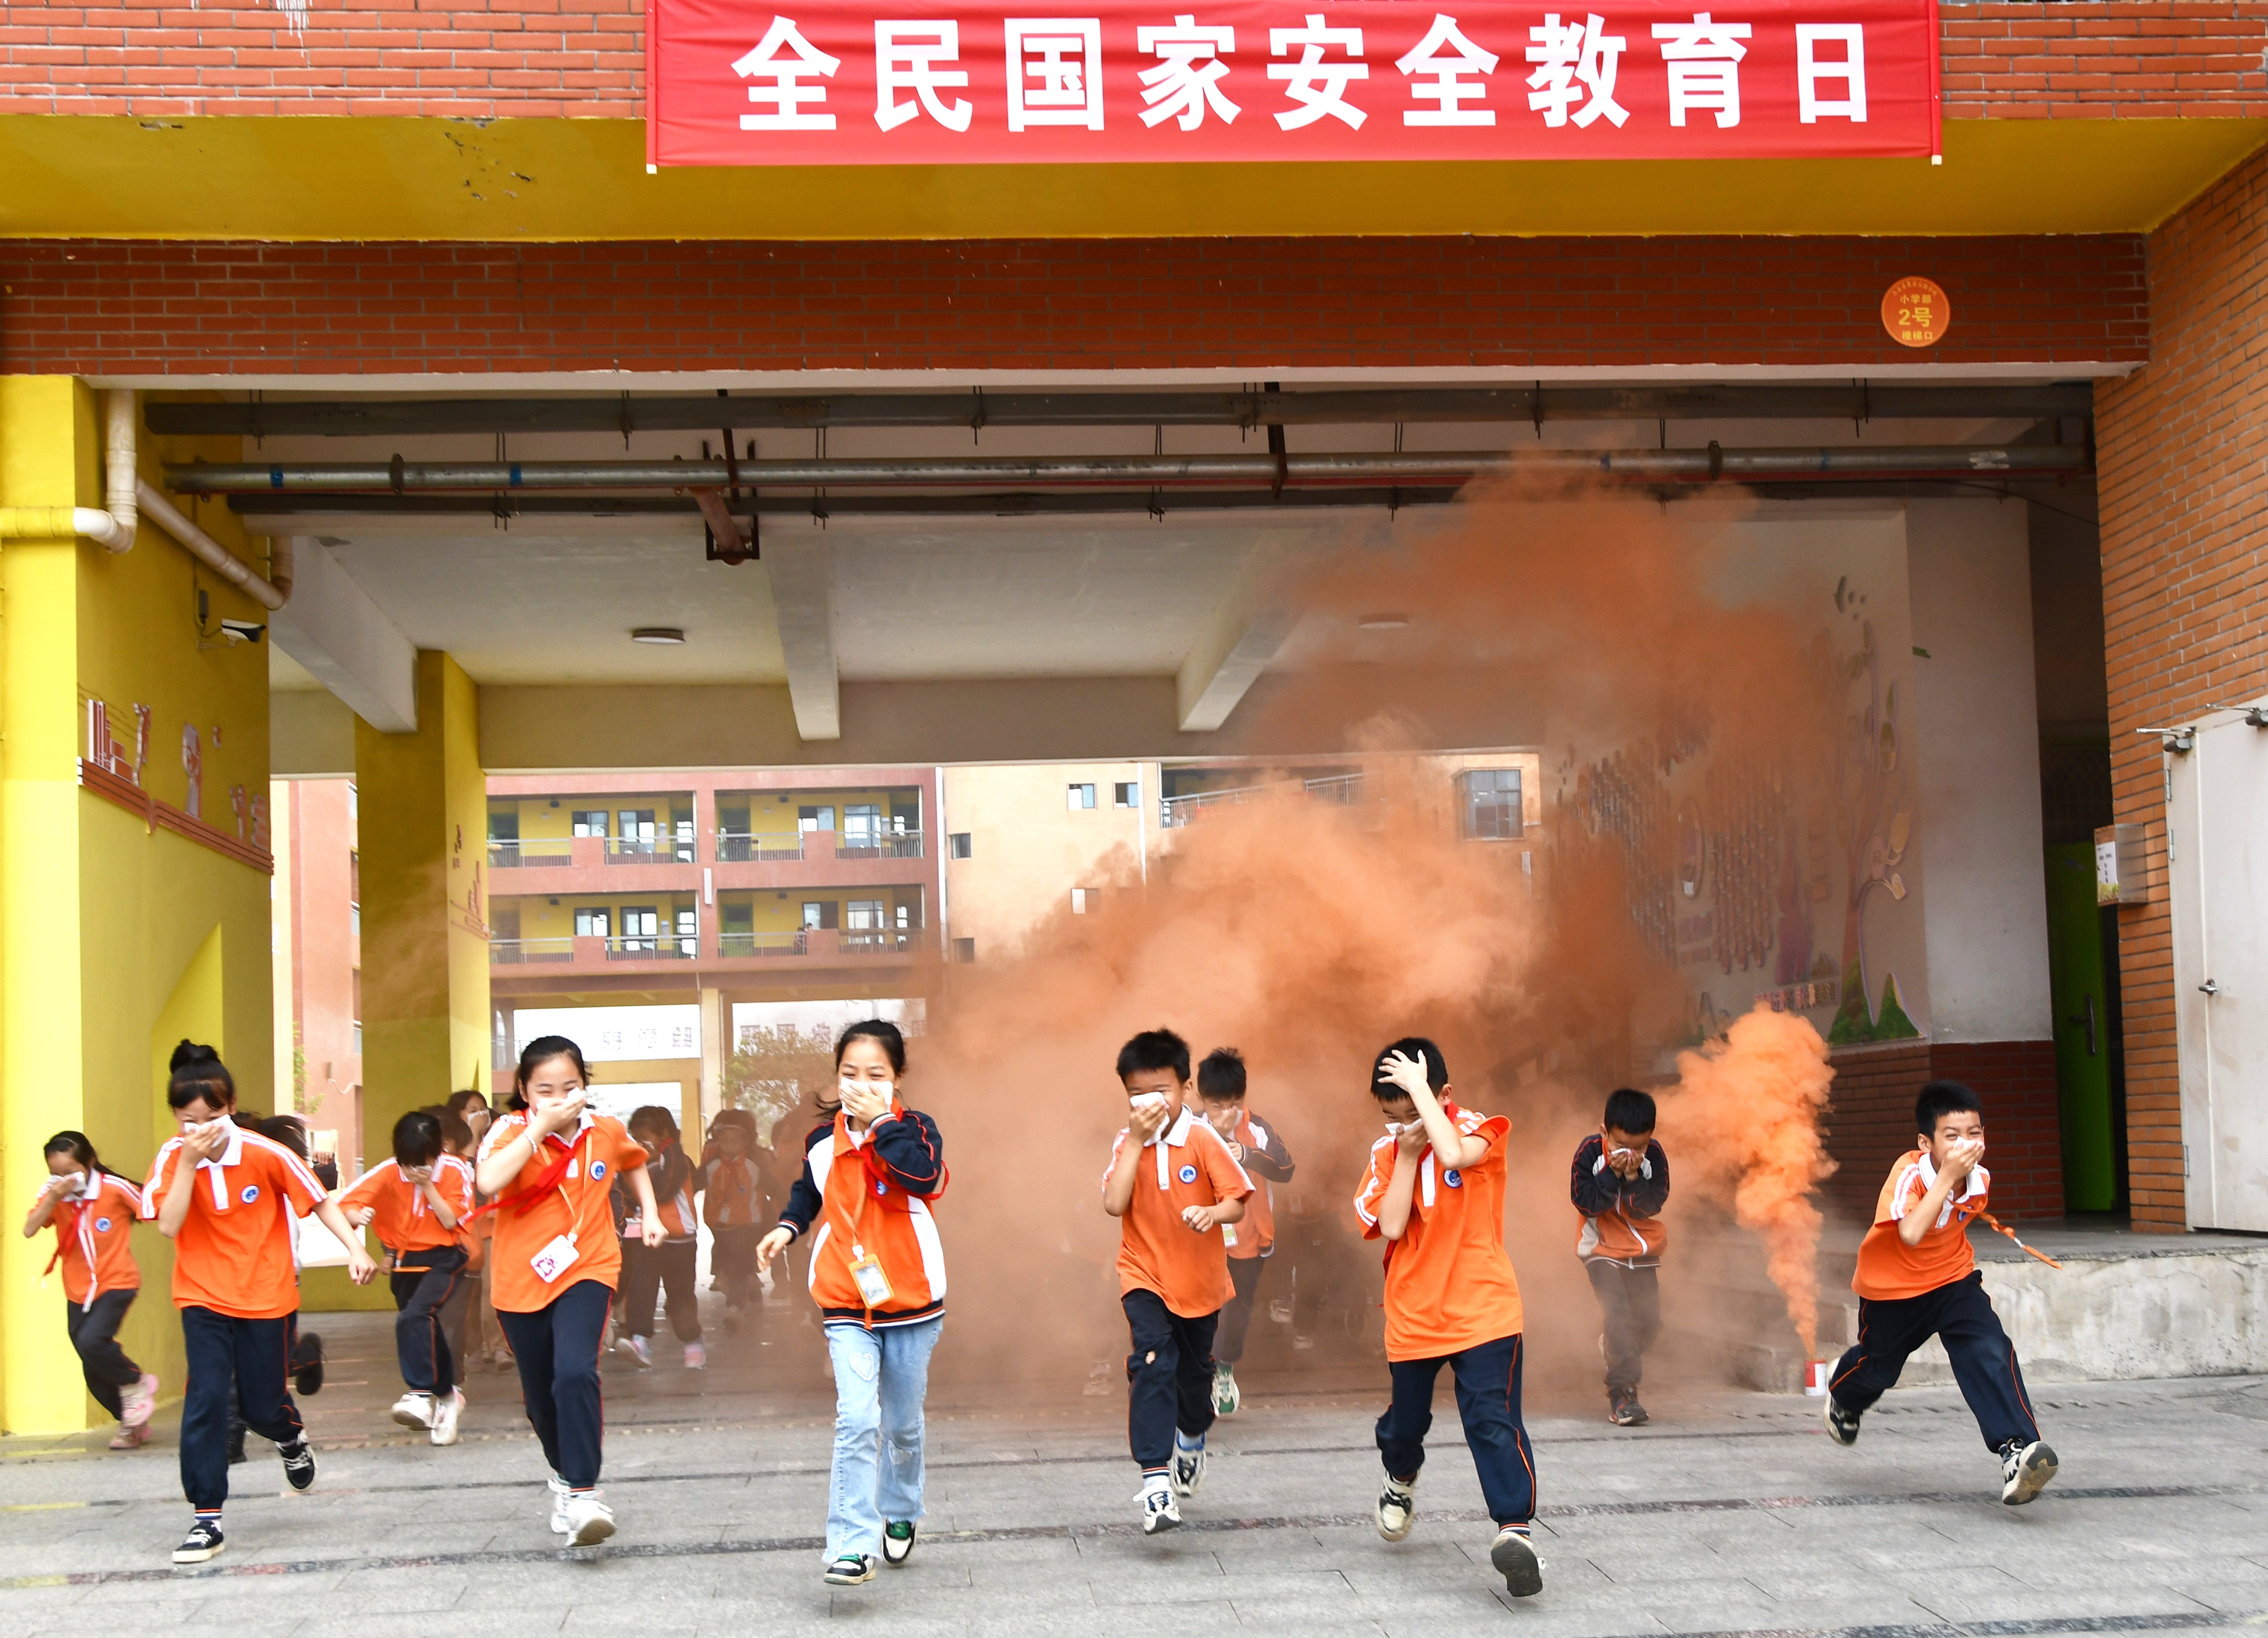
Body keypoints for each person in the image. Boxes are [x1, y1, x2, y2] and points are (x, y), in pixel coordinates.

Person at [141, 1043, 375, 1564]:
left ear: (232, 1106)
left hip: (266, 1297)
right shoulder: (170, 1157)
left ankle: (290, 1436)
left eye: (214, 1116)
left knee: (261, 1404)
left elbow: (318, 1201)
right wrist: (188, 1164)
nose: (203, 1128)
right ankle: (207, 1518)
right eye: (189, 1119)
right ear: (177, 1117)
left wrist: (356, 1248)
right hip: (202, 1296)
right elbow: (167, 1224)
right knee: (205, 1399)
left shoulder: (265, 1153)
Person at [755, 1020, 948, 1586]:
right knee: (858, 1420)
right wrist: (787, 1228)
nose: (860, 1084)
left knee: (904, 1425)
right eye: (849, 1074)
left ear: (898, 1078)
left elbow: (925, 1177)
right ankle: (851, 1545)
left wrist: (883, 1122)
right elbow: (807, 1192)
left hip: (912, 1299)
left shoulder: (915, 1132)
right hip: (844, 1297)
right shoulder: (822, 1139)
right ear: (834, 1076)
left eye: (876, 1075)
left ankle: (902, 1509)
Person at [1356, 1038, 1541, 1598]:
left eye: (1412, 1110)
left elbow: (1458, 1155)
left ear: (1443, 1095)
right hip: (1414, 1313)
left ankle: (1515, 1530)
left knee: (1492, 1417)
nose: (1402, 1126)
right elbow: (1388, 1227)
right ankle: (1400, 1477)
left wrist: (1421, 1103)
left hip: (1486, 1308)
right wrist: (1407, 1153)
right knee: (1405, 1426)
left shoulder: (1481, 1128)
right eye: (1391, 1117)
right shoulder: (1387, 1155)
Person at [1822, 1080, 2059, 1505]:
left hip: (1952, 1280)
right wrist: (1947, 1175)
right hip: (1893, 1291)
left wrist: (1957, 1177)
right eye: (1951, 1136)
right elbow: (1911, 1232)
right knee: (1879, 1368)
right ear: (1924, 1141)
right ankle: (1843, 1395)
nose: (1966, 1144)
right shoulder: (1908, 1175)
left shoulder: (1980, 1178)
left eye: (1975, 1133)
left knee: (1988, 1347)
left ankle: (2016, 1451)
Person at [475, 1035, 665, 1547]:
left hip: (589, 1267)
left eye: (571, 1086)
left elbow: (632, 1160)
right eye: (545, 1089)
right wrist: (540, 1127)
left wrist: (648, 1210)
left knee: (575, 1370)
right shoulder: (508, 1130)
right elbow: (489, 1179)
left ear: (585, 1085)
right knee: (541, 1397)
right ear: (523, 1089)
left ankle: (583, 1493)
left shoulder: (604, 1129)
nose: (560, 1097)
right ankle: (562, 1476)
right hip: (521, 1281)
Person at [1101, 1027, 1252, 1536]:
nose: (1150, 1102)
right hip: (1143, 1274)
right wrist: (1136, 1144)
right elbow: (1113, 1204)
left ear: (1185, 1088)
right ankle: (1155, 1482)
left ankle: (1192, 1437)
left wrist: (1213, 1214)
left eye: (1161, 1090)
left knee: (1193, 1384)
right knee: (1151, 1362)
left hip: (1201, 1285)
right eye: (1136, 1093)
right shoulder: (1127, 1142)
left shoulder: (1202, 1138)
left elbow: (1237, 1197)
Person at [340, 1108, 476, 1446]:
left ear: (436, 1152)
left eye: (420, 1160)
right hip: (404, 1262)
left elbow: (450, 1221)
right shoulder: (387, 1171)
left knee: (414, 1317)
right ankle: (446, 1396)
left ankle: (418, 1393)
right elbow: (344, 1207)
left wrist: (427, 1184)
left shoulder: (457, 1169)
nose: (410, 1168)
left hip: (445, 1257)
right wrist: (360, 1213)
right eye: (406, 1161)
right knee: (424, 1327)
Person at [22, 1131, 158, 1448]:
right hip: (78, 1290)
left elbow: (154, 1209)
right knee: (93, 1369)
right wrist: (55, 1197)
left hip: (117, 1281)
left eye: (71, 1172)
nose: (64, 1180)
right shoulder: (54, 1196)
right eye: (56, 1174)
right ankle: (131, 1423)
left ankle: (134, 1381)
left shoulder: (113, 1188)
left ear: (90, 1162)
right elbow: (29, 1229)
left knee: (93, 1340)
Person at [1194, 1046, 1295, 1417]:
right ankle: (1198, 1371)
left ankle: (1224, 1367)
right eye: (1217, 1105)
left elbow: (1286, 1168)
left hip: (1248, 1236)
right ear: (1201, 1098)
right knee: (1198, 1305)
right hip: (1199, 1233)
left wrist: (1248, 1155)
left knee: (1237, 1307)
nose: (1225, 1113)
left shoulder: (1256, 1128)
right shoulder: (1188, 1126)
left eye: (1233, 1104)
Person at [1571, 1086, 1671, 1427]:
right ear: (1604, 1132)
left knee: (1648, 1324)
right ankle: (1623, 1395)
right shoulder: (1588, 1151)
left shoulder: (1654, 1157)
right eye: (1620, 1145)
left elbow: (1651, 1205)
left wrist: (1632, 1177)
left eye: (1639, 1147)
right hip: (1599, 1250)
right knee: (1618, 1314)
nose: (1630, 1153)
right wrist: (1610, 1174)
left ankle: (1615, 1349)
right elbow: (1587, 1203)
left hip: (1641, 1252)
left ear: (1650, 1138)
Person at [618, 1105, 706, 1370]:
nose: (640, 1144)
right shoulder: (634, 1161)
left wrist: (645, 1175)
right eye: (635, 1138)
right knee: (641, 1287)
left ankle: (693, 1342)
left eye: (645, 1138)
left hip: (679, 1239)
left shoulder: (676, 1156)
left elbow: (666, 1191)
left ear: (664, 1134)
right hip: (647, 1237)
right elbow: (626, 1193)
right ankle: (639, 1340)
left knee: (680, 1295)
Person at [703, 1110, 766, 1332]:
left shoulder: (754, 1165)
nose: (729, 1146)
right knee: (736, 1266)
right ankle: (754, 1297)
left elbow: (773, 1187)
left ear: (745, 1142)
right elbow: (693, 1182)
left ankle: (734, 1308)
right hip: (719, 1226)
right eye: (725, 1142)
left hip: (747, 1225)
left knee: (738, 1267)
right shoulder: (711, 1166)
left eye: (735, 1142)